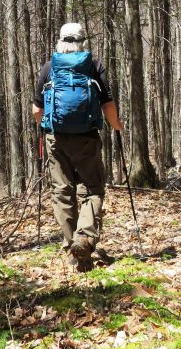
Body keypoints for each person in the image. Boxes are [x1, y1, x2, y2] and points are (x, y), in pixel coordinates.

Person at [33, 22, 123, 271]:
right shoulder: (93, 66)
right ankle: (84, 238)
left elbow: (37, 110)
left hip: (56, 138)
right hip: (87, 137)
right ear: (83, 41)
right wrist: (117, 126)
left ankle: (72, 247)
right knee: (92, 189)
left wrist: (46, 127)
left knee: (62, 191)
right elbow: (108, 104)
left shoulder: (49, 67)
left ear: (60, 41)